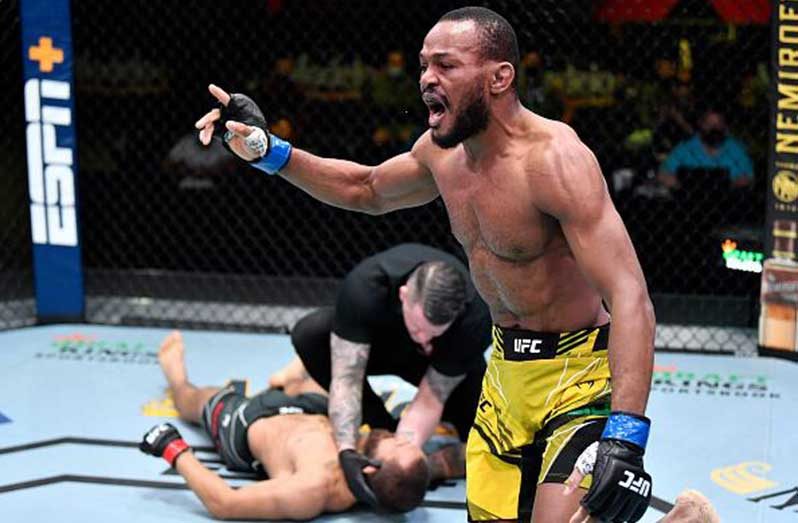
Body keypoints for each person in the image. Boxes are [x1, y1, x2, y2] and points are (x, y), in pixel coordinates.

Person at [195, 7, 656, 522]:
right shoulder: (442, 156)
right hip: (505, 374)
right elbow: (364, 188)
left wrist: (626, 434)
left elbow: (628, 295)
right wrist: (268, 152)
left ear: (499, 77)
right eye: (422, 67)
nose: (426, 81)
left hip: (580, 375)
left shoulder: (555, 161)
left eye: (445, 66)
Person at [272, 243, 492, 507]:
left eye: (434, 331)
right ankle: (380, 424)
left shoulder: (475, 317)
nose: (424, 338)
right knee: (311, 334)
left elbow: (430, 399)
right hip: (380, 343)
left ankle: (415, 453)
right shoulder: (366, 287)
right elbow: (346, 378)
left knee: (493, 439)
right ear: (403, 295)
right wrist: (347, 450)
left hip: (440, 363)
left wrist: (407, 463)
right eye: (420, 327)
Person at [139, 331, 431, 519]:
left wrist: (174, 449)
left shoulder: (315, 487)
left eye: (400, 444)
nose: (400, 437)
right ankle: (287, 380)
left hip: (247, 421)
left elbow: (225, 502)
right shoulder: (391, 467)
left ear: (370, 467)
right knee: (339, 355)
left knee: (191, 398)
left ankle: (175, 373)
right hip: (315, 410)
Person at [658, 107, 754, 189]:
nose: (714, 128)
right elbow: (662, 174)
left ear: (725, 125)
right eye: (709, 124)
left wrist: (728, 185)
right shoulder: (685, 149)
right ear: (700, 124)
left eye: (718, 124)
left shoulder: (736, 149)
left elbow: (748, 177)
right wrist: (678, 184)